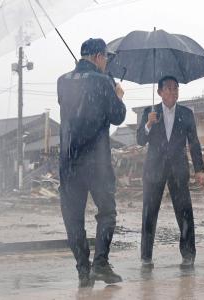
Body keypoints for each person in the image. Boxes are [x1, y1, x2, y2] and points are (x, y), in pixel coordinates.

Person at [57, 38, 126, 287]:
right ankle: (100, 263)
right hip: (96, 162)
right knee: (106, 212)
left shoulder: (62, 81)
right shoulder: (103, 81)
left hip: (69, 161)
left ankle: (83, 271)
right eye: (105, 57)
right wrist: (117, 95)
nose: (106, 62)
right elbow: (117, 116)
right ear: (98, 56)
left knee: (73, 218)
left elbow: (74, 113)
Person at [137, 75, 204, 268]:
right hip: (154, 170)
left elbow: (194, 142)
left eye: (175, 88)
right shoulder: (150, 113)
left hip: (178, 169)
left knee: (184, 213)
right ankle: (146, 257)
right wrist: (149, 124)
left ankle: (188, 255)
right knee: (149, 214)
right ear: (159, 92)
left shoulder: (186, 114)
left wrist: (199, 169)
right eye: (168, 88)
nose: (173, 92)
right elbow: (140, 140)